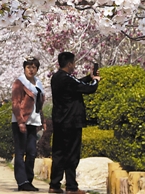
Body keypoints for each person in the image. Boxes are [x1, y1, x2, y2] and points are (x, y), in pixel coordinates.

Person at [49, 52, 100, 194]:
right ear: (70, 63)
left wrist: (89, 77)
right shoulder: (67, 79)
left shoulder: (57, 77)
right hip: (71, 122)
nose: (75, 65)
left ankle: (54, 185)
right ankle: (71, 187)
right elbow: (89, 89)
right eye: (74, 63)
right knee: (72, 154)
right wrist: (96, 80)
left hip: (59, 121)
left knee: (58, 153)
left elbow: (78, 84)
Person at [11, 56, 46, 192]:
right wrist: (20, 121)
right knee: (20, 152)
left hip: (34, 121)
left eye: (34, 67)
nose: (31, 70)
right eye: (28, 67)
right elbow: (15, 103)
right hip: (22, 121)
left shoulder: (38, 83)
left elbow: (39, 104)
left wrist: (43, 121)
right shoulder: (20, 83)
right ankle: (22, 181)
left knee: (31, 152)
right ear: (24, 68)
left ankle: (28, 180)